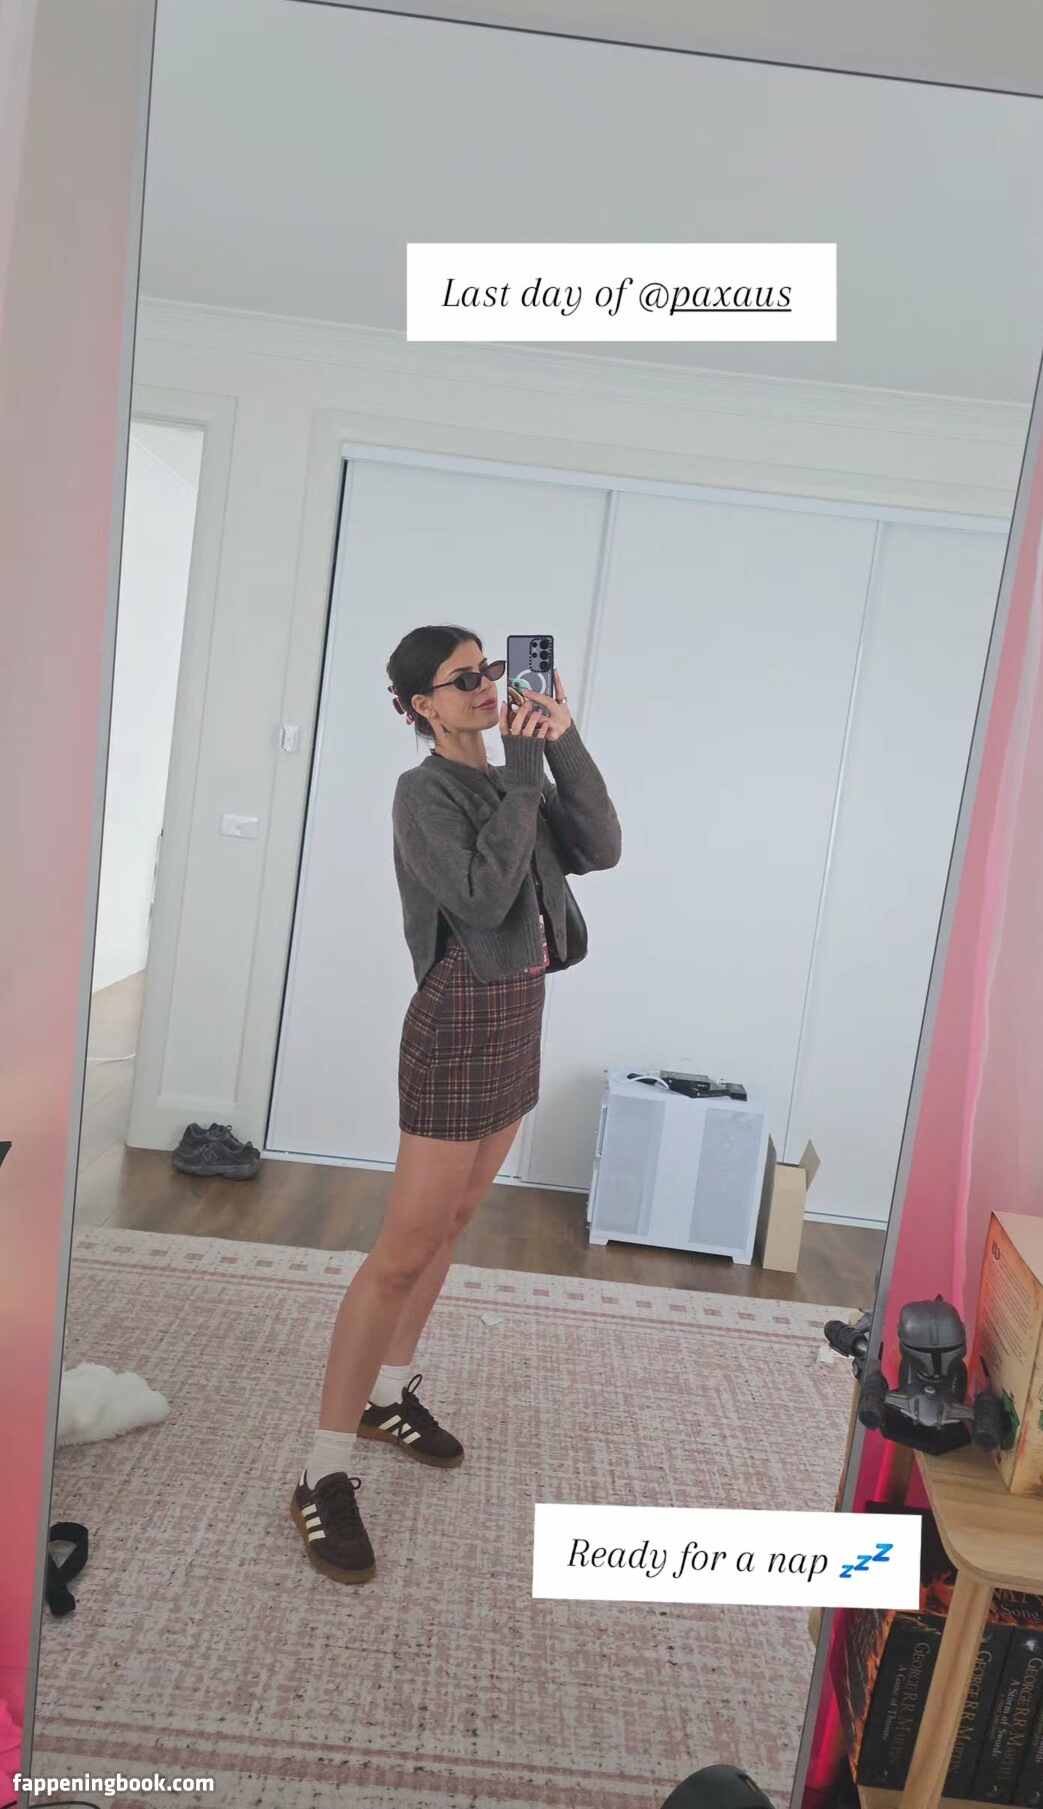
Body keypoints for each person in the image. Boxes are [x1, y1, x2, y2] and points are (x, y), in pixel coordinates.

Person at [292, 624, 621, 1581]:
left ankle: (387, 1395)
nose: (486, 685)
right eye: (463, 677)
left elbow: (600, 846)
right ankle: (321, 1471)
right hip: (457, 1021)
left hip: (517, 1016)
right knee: (400, 1251)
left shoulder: (519, 776)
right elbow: (480, 898)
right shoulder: (424, 793)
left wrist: (560, 740)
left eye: (492, 670)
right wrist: (522, 774)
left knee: (451, 1226)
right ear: (420, 706)